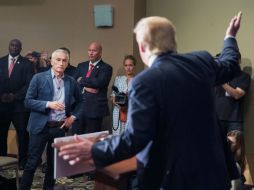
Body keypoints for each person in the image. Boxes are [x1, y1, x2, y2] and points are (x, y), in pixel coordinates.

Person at [55, 12, 242, 190]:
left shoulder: (145, 82)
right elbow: (231, 64)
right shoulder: (201, 61)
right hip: (214, 172)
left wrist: (95, 149)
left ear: (142, 47)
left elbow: (135, 139)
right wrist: (230, 37)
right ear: (173, 42)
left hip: (173, 178)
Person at [19, 49, 82, 190]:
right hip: (40, 127)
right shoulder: (39, 78)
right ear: (52, 61)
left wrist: (73, 116)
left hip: (59, 128)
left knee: (53, 166)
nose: (61, 63)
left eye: (64, 60)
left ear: (67, 63)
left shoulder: (71, 81)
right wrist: (48, 104)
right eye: (58, 60)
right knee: (32, 163)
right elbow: (27, 101)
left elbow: (81, 101)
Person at [0, 39, 34, 169]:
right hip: (2, 105)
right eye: (12, 45)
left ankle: (22, 162)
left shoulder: (26, 64)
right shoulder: (1, 61)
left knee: (23, 135)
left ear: (20, 48)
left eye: (17, 46)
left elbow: (29, 84)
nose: (14, 47)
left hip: (19, 107)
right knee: (1, 134)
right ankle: (2, 161)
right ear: (9, 46)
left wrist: (15, 96)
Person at [74, 42, 112, 134]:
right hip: (78, 109)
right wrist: (86, 88)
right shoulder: (81, 65)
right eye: (89, 50)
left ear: (100, 52)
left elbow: (99, 83)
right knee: (76, 138)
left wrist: (81, 80)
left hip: (94, 109)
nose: (91, 53)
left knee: (91, 139)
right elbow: (74, 82)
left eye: (94, 51)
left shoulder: (106, 68)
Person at [215, 64, 251, 136]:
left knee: (234, 144)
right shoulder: (215, 76)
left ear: (238, 61)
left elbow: (237, 95)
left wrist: (222, 82)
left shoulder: (243, 76)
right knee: (216, 145)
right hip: (216, 118)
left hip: (234, 120)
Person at [111, 55, 136, 135]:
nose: (128, 68)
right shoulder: (118, 79)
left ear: (134, 66)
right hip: (118, 112)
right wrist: (120, 104)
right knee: (117, 137)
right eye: (126, 65)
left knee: (130, 137)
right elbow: (113, 97)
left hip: (131, 113)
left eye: (130, 65)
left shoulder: (138, 80)